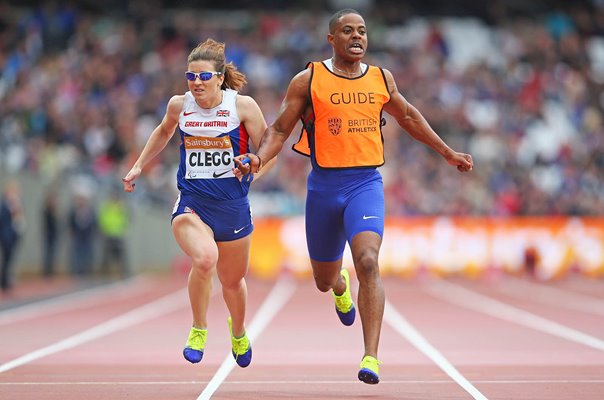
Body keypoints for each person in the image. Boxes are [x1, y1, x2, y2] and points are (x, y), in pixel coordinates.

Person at [234, 9, 473, 384]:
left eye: (362, 31)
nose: (357, 37)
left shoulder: (381, 78)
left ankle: (371, 357)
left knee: (368, 261)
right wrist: (257, 158)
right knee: (324, 280)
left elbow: (408, 117)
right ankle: (339, 286)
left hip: (365, 185)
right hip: (323, 189)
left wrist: (447, 152)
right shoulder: (308, 79)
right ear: (332, 39)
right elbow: (280, 130)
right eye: (348, 31)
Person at [122, 38, 273, 368]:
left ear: (219, 77)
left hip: (232, 205)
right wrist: (138, 166)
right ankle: (198, 328)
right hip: (193, 204)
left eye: (204, 77)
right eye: (191, 77)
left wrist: (255, 168)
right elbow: (163, 132)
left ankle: (238, 331)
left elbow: (269, 148)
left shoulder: (243, 107)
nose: (197, 83)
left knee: (232, 282)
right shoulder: (180, 105)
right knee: (205, 259)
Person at [0, 180, 25, 293]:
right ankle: (4, 281)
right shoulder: (4, 205)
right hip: (5, 236)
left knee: (10, 259)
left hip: (14, 235)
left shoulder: (17, 205)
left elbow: (19, 220)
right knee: (6, 259)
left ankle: (7, 279)